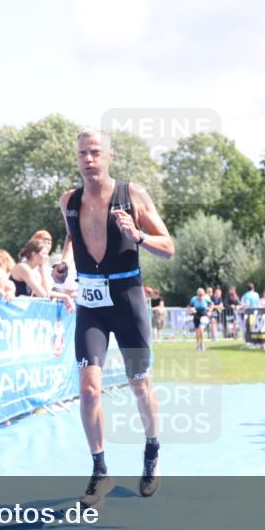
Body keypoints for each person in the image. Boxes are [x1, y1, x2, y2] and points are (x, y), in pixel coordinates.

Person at [59, 127, 174, 506]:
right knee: (89, 388)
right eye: (82, 154)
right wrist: (63, 265)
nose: (88, 159)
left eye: (95, 152)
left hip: (128, 298)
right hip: (92, 303)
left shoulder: (132, 194)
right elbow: (73, 236)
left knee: (139, 383)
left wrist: (138, 236)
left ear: (108, 156)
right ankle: (100, 470)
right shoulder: (68, 200)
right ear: (76, 159)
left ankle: (152, 451)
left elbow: (168, 247)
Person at [11, 238, 74, 309]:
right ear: (34, 254)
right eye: (44, 254)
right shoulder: (23, 268)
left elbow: (46, 292)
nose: (47, 257)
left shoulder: (32, 269)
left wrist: (65, 296)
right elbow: (43, 295)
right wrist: (64, 296)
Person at [189, 287, 212, 351]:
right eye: (199, 295)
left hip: (204, 316)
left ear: (204, 294)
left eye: (202, 295)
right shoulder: (194, 299)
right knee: (197, 332)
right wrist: (192, 309)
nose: (200, 296)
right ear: (197, 294)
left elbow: (211, 305)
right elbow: (190, 307)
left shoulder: (206, 299)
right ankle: (198, 345)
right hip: (196, 316)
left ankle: (202, 344)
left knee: (201, 329)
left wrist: (209, 311)